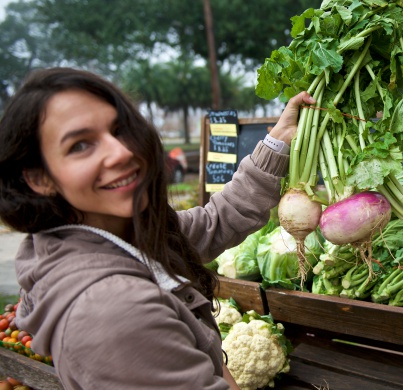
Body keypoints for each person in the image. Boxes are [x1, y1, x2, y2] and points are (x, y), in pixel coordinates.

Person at [0, 67, 315, 389]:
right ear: (39, 178)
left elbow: (214, 222)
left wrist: (278, 141)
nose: (122, 152)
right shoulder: (113, 312)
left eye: (120, 129)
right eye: (80, 145)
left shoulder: (121, 234)